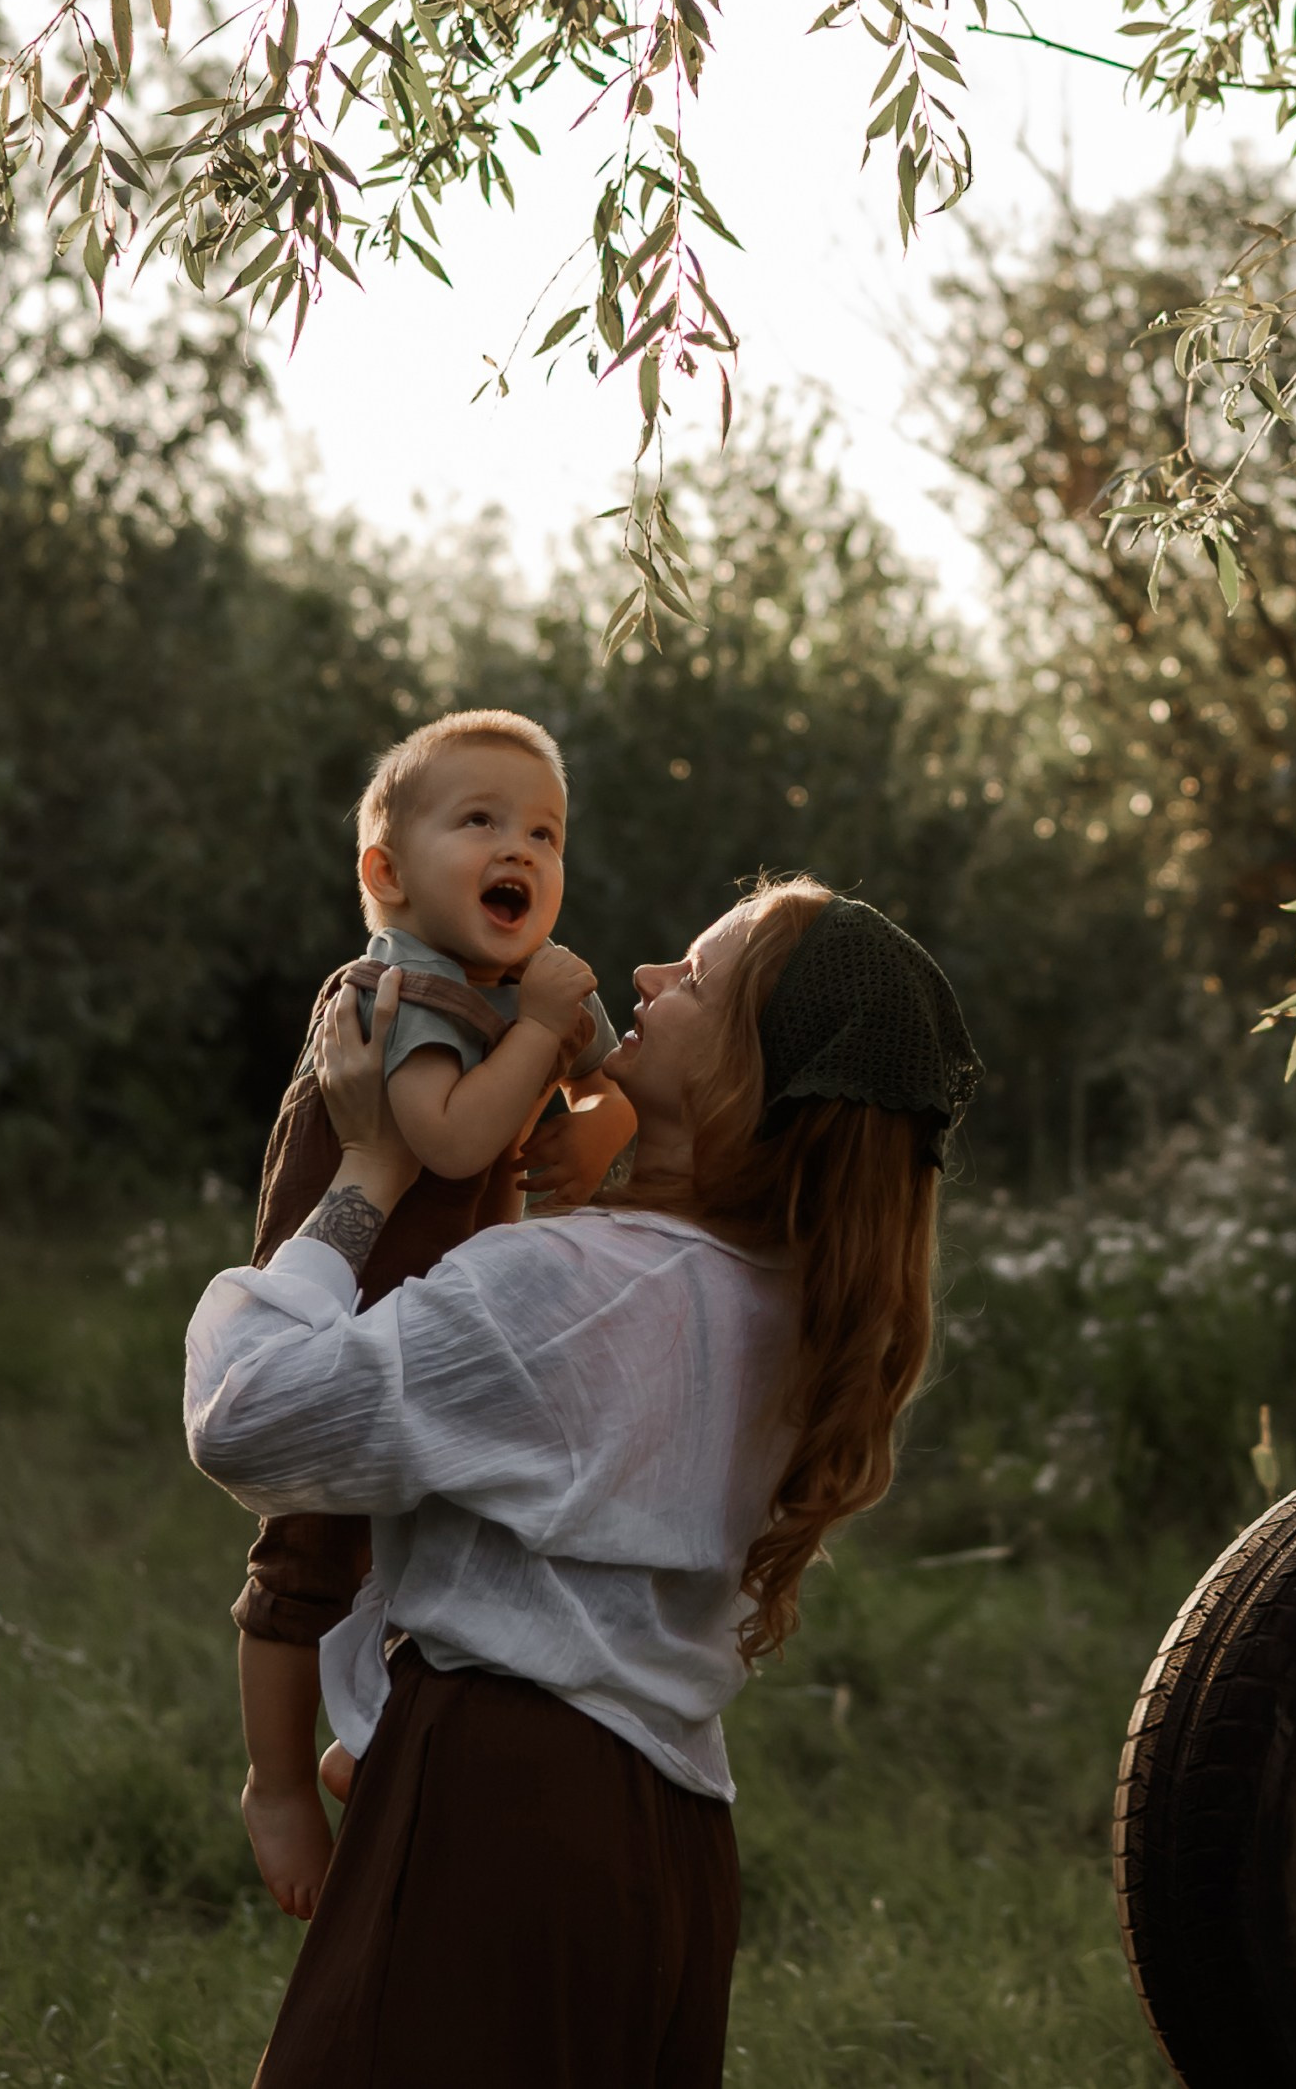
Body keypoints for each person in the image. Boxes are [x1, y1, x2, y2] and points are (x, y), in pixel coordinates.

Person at [185, 876, 981, 2089]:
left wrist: (362, 1175)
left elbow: (246, 1418)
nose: (651, 980)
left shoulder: (571, 1289)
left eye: (699, 980)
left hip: (499, 1817)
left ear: (755, 1075)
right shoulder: (795, 1311)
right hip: (673, 1850)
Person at [232, 707, 640, 1920]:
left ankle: (368, 1736)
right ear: (387, 873)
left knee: (454, 1552)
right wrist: (546, 1037)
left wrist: (589, 1127)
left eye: (545, 831)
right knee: (308, 1559)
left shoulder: (536, 987)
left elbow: (609, 1109)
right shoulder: (394, 990)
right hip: (331, 1326)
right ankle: (273, 1781)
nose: (520, 847)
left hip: (444, 1337)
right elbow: (452, 1135)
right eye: (479, 821)